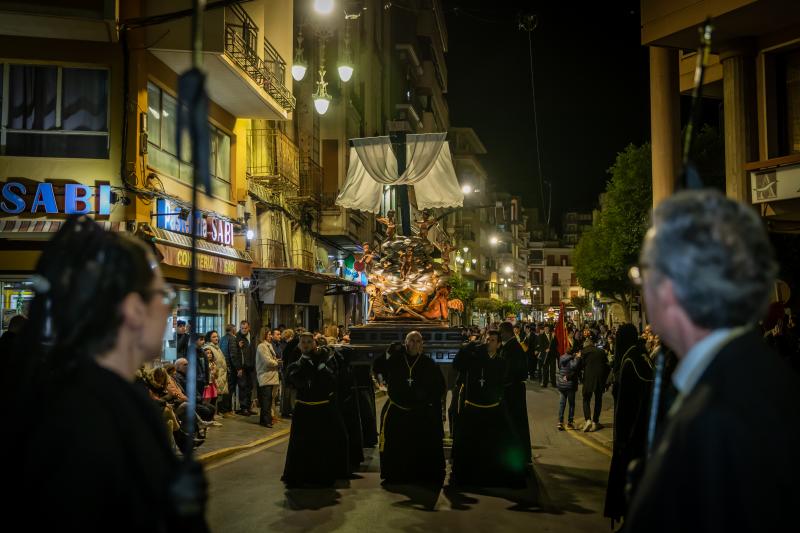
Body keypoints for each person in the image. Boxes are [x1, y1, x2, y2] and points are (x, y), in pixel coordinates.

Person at [5, 216, 208, 531]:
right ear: (133, 310)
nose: (168, 308)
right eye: (163, 295)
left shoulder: (103, 397)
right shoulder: (85, 424)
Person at [624, 189, 800, 532]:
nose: (640, 289)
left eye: (641, 274)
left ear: (671, 288)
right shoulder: (747, 374)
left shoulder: (721, 412)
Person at [450, 331, 526, 488]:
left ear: (498, 344)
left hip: (492, 409)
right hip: (473, 409)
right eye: (487, 340)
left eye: (492, 340)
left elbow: (502, 383)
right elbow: (457, 365)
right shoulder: (473, 359)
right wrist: (466, 349)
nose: (489, 343)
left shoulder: (501, 362)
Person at [373, 331, 445, 486]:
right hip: (398, 410)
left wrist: (428, 402)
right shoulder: (396, 360)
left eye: (418, 341)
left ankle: (419, 475)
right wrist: (388, 353)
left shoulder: (428, 363)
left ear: (422, 345)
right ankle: (396, 474)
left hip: (420, 412)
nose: (415, 344)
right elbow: (378, 367)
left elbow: (439, 387)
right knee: (397, 445)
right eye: (411, 341)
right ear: (406, 343)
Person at [281, 333, 349, 487]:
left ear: (314, 344)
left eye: (309, 342)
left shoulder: (325, 361)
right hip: (304, 410)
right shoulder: (296, 365)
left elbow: (333, 382)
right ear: (299, 345)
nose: (306, 345)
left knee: (322, 444)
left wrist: (322, 366)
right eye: (303, 342)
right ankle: (300, 475)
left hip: (322, 409)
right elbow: (295, 382)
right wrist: (310, 366)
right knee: (301, 444)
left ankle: (322, 475)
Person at [604, 323, 653, 526]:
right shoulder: (639, 357)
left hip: (631, 435)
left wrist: (625, 437)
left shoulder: (630, 361)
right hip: (638, 431)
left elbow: (629, 402)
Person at [498, 321, 532, 465]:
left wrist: (501, 382)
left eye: (500, 333)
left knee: (516, 423)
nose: (500, 336)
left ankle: (521, 455)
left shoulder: (512, 348)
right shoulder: (511, 346)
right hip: (514, 389)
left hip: (513, 391)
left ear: (506, 332)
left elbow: (511, 371)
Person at [579, 332, 609, 432]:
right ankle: (595, 421)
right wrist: (606, 382)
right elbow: (607, 367)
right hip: (600, 380)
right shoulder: (601, 352)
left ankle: (588, 420)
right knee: (598, 400)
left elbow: (579, 366)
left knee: (586, 399)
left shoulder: (583, 352)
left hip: (588, 379)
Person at [256, 329, 280, 428]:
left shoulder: (268, 346)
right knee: (266, 400)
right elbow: (267, 361)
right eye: (269, 334)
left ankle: (264, 419)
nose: (271, 336)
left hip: (270, 376)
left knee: (269, 399)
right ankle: (266, 420)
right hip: (265, 376)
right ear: (264, 335)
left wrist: (275, 360)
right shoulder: (262, 346)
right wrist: (277, 363)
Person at [204, 330, 230, 416]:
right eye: (214, 337)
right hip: (213, 377)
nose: (216, 338)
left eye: (217, 336)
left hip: (219, 375)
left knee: (216, 397)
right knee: (210, 398)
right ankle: (210, 416)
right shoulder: (209, 348)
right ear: (209, 338)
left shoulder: (216, 347)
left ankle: (215, 414)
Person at [234, 320, 257, 416]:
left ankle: (248, 407)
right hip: (242, 367)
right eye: (242, 328)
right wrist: (238, 368)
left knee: (250, 387)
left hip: (251, 366)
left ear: (249, 328)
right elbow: (236, 354)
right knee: (243, 387)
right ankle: (243, 408)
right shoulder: (237, 337)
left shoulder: (252, 337)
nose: (243, 330)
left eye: (245, 328)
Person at [556, 346, 581, 431]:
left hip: (561, 384)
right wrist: (577, 358)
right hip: (570, 385)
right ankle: (570, 422)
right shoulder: (572, 359)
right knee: (571, 404)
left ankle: (560, 422)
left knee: (562, 404)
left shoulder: (561, 357)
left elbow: (560, 367)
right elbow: (574, 367)